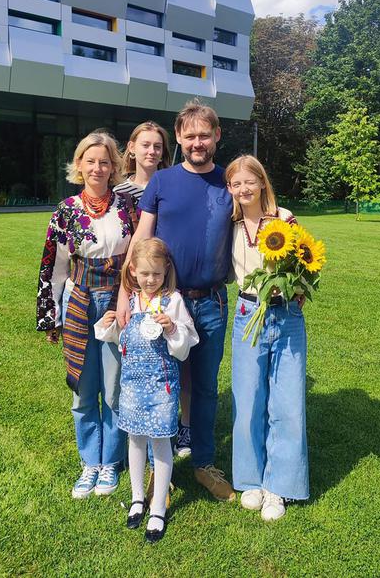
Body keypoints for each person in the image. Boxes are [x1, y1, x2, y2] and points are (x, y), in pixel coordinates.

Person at [117, 99, 235, 502]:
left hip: (212, 303)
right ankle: (155, 471)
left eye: (205, 134)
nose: (197, 142)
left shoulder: (228, 181)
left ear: (217, 136)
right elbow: (139, 243)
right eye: (190, 136)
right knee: (159, 385)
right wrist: (124, 294)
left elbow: (260, 211)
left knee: (203, 387)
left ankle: (203, 463)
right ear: (179, 139)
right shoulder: (162, 182)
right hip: (162, 304)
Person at [36, 131, 136, 499]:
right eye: (90, 160)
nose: (98, 167)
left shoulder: (127, 207)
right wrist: (52, 315)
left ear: (114, 167)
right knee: (82, 386)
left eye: (105, 161)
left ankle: (110, 460)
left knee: (113, 387)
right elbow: (54, 265)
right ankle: (88, 462)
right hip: (78, 300)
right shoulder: (66, 211)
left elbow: (137, 258)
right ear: (79, 164)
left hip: (116, 300)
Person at [95, 238, 198, 542]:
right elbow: (117, 340)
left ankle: (157, 508)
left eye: (156, 274)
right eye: (144, 274)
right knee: (135, 441)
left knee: (161, 443)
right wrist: (108, 323)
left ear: (166, 271)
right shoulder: (131, 302)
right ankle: (137, 497)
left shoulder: (174, 301)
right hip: (132, 387)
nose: (150, 280)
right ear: (133, 273)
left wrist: (171, 329)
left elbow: (183, 349)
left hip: (161, 388)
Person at [225, 154, 308, 521]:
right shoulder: (229, 224)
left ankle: (280, 486)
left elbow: (304, 264)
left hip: (286, 314)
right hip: (247, 314)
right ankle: (251, 480)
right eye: (235, 183)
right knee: (248, 398)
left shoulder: (285, 219)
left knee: (287, 402)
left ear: (262, 182)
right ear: (230, 188)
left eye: (249, 181)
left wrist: (298, 287)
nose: (243, 189)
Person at [113, 121, 171, 209]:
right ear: (131, 147)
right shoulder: (119, 192)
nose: (152, 151)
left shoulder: (172, 187)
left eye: (157, 146)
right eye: (145, 145)